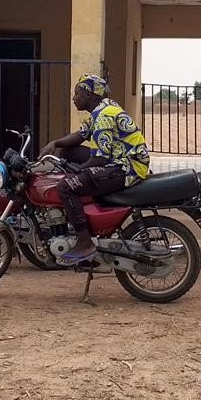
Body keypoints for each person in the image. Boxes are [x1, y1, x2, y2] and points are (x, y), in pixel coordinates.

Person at [40, 74, 150, 265]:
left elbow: (100, 159)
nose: (74, 97)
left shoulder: (104, 117)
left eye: (77, 93)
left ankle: (84, 241)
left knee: (65, 186)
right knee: (68, 151)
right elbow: (80, 135)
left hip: (126, 167)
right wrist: (55, 143)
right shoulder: (101, 110)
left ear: (89, 95)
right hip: (117, 159)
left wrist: (78, 173)